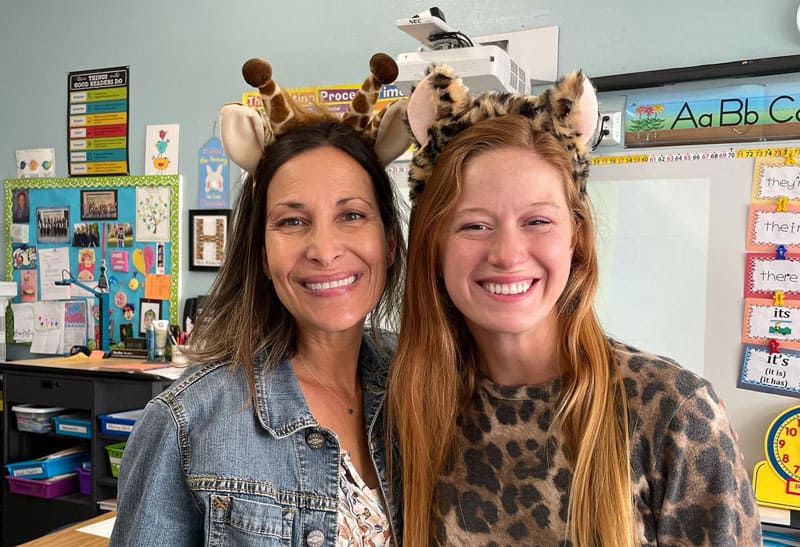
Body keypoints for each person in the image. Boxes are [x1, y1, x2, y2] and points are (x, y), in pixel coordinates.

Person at [388, 66, 762, 546]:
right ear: (433, 247)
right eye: (474, 225)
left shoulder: (673, 413)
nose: (507, 254)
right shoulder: (407, 406)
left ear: (576, 239)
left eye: (538, 221)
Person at [110, 53, 410, 546]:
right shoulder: (187, 423)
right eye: (292, 221)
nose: (325, 250)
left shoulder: (422, 383)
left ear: (389, 242)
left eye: (352, 215)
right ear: (261, 251)